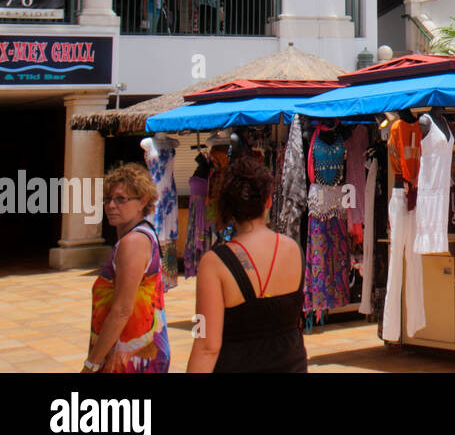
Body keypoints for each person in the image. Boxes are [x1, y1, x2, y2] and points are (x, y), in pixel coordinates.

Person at [188, 155, 308, 373]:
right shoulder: (294, 250)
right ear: (269, 201)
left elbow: (207, 345)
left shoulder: (214, 264)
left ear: (228, 206)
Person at [84, 163, 170, 373]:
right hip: (136, 352)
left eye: (121, 199)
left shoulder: (133, 242)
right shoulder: (142, 234)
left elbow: (122, 310)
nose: (111, 205)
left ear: (142, 201)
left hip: (129, 359)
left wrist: (91, 365)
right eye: (108, 199)